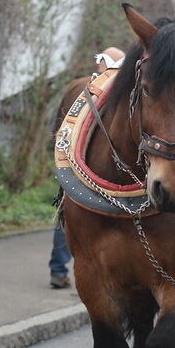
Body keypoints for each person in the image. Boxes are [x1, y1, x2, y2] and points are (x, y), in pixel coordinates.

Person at [49, 46, 125, 289]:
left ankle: (59, 270)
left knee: (69, 215)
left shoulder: (78, 87)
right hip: (94, 170)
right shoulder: (111, 92)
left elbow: (57, 130)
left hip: (74, 167)